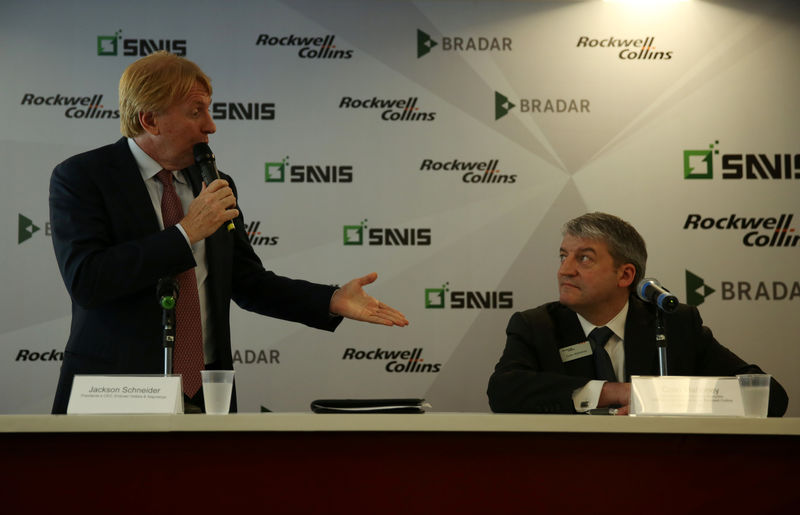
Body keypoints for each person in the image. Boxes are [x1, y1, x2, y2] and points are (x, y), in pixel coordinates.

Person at [49, 51, 408, 414]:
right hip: (112, 399)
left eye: (209, 110)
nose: (211, 125)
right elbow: (87, 281)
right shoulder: (83, 178)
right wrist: (186, 232)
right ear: (150, 119)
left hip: (207, 398)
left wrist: (330, 300)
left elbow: (248, 281)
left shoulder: (214, 183)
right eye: (196, 111)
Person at [487, 212, 788, 416]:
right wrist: (614, 393)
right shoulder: (537, 326)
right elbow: (503, 392)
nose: (565, 270)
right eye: (563, 256)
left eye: (584, 258)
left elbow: (769, 396)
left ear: (625, 275)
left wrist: (673, 399)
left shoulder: (672, 323)